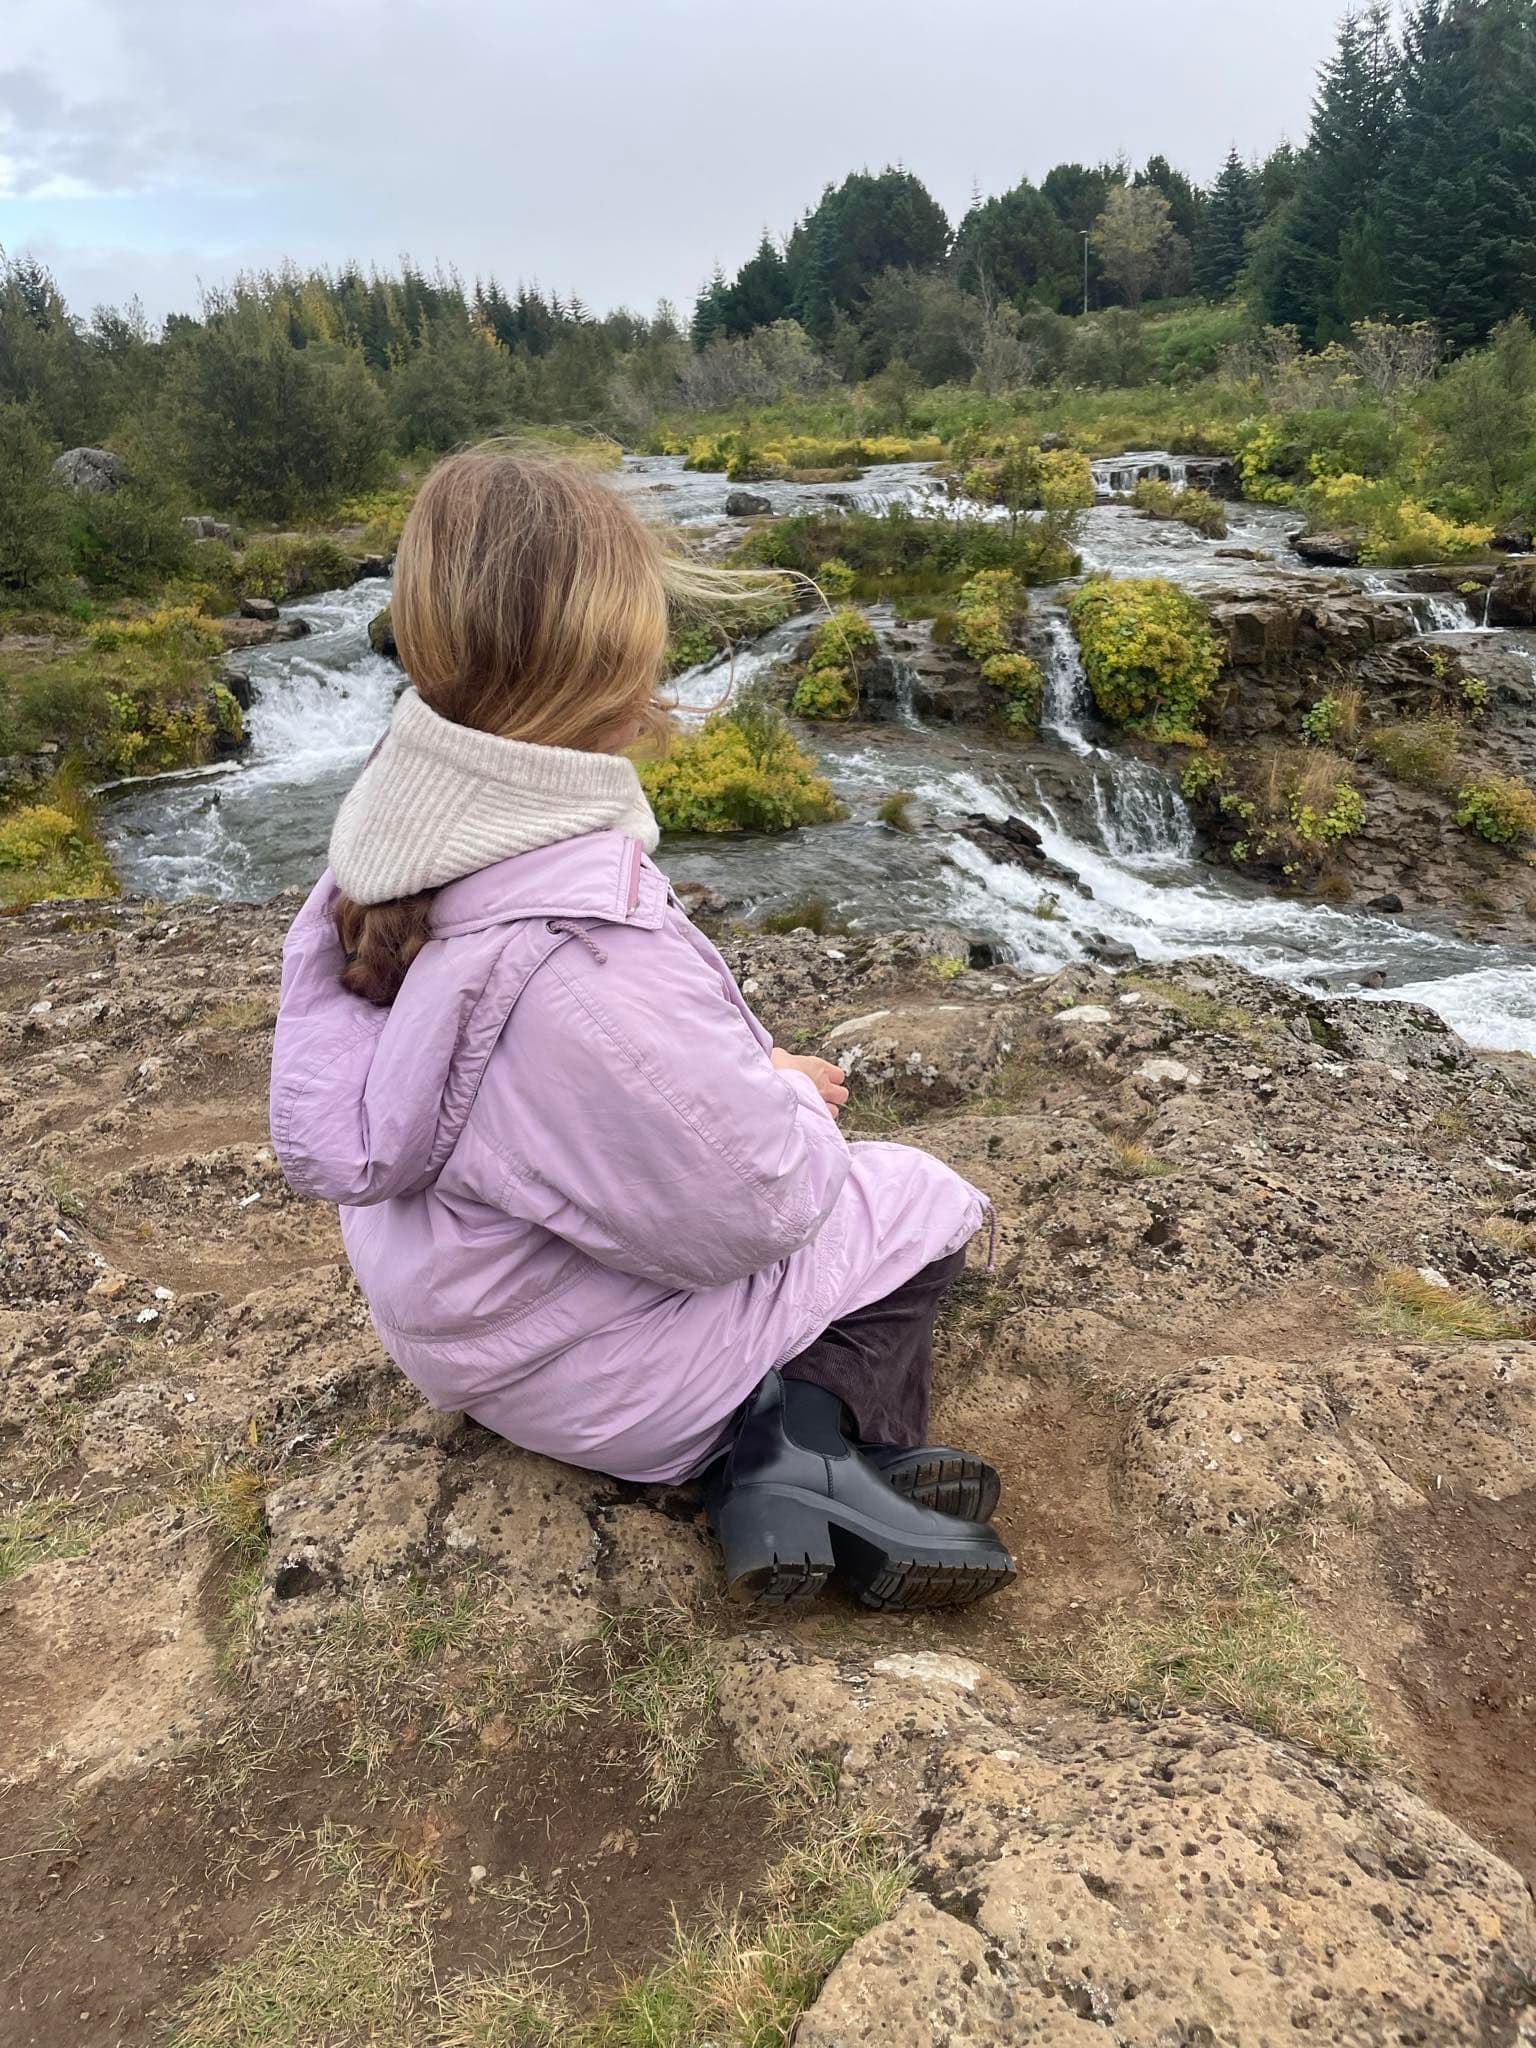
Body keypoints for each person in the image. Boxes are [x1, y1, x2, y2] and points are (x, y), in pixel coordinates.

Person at [269, 445, 1015, 1611]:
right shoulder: (577, 953)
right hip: (594, 1377)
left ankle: (801, 1461)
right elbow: (752, 1207)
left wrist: (746, 1065)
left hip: (471, 1329)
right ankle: (796, 1451)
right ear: (613, 673)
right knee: (921, 1200)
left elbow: (546, 1096)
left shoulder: (402, 848)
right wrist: (786, 1098)